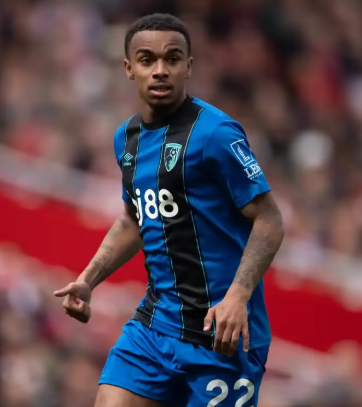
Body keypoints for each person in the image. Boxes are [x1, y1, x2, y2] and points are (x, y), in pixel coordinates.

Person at [54, 13, 284, 407]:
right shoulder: (126, 139)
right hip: (155, 326)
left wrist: (238, 296)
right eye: (147, 60)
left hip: (221, 334)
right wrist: (89, 279)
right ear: (129, 68)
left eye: (172, 59)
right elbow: (134, 218)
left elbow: (270, 219)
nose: (160, 70)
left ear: (188, 66)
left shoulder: (215, 133)